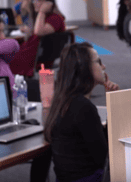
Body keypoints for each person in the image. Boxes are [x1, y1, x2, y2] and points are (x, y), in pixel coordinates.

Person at [43, 42, 119, 182]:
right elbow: (104, 156)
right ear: (85, 68)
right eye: (98, 62)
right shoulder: (83, 107)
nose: (104, 67)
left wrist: (111, 100)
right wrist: (114, 107)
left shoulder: (62, 100)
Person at [9, 0, 65, 77]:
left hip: (36, 59)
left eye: (38, 0)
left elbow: (39, 32)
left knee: (2, 60)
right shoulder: (45, 17)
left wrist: (42, 11)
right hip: (32, 55)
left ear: (48, 3)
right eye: (34, 0)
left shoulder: (55, 18)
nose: (34, 3)